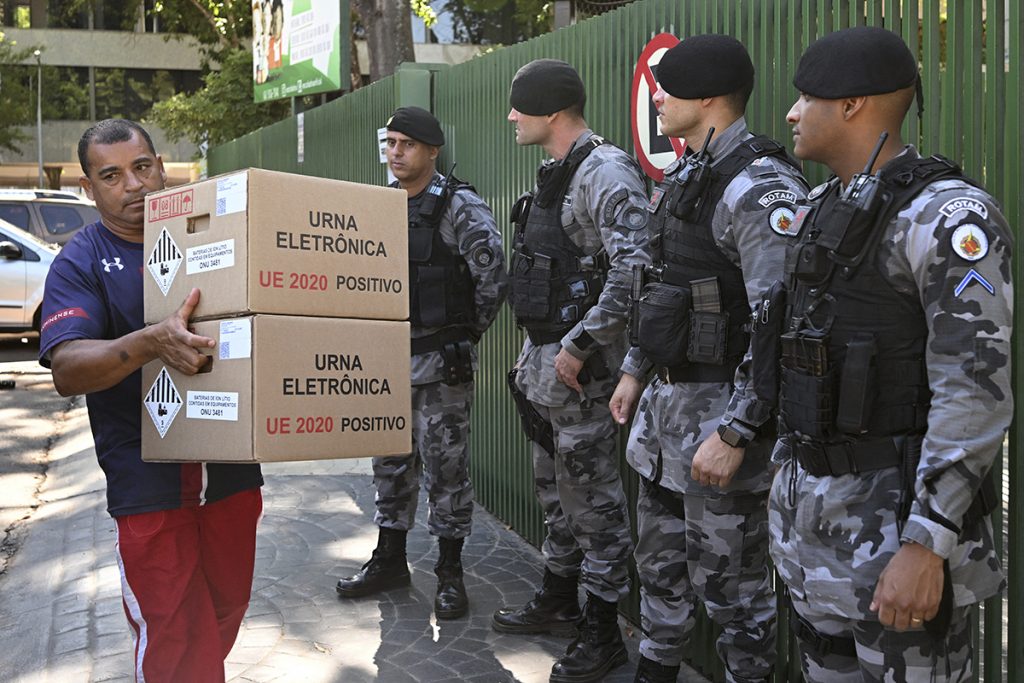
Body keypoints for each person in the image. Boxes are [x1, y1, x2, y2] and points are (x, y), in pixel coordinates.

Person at [748, 27, 1011, 681]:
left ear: (851, 105)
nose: (791, 114)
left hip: (898, 542)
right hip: (816, 541)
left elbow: (974, 389)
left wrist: (927, 543)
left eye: (805, 98)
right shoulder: (819, 211)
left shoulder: (947, 219)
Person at [608, 35, 808, 683]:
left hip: (720, 431)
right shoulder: (687, 173)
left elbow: (779, 324)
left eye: (669, 88)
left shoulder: (761, 188)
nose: (657, 98)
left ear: (710, 96)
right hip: (666, 422)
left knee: (735, 595)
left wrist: (737, 431)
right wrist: (635, 367)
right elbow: (663, 284)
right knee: (659, 572)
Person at [39, 118, 264, 682]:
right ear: (89, 188)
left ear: (162, 167)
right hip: (147, 481)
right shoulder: (82, 259)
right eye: (111, 176)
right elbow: (67, 368)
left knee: (225, 611)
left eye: (142, 167)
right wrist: (149, 343)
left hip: (231, 469)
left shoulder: (216, 232)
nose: (133, 185)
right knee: (173, 634)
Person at [494, 58, 649, 683]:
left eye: (521, 105)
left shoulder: (604, 171)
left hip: (582, 372)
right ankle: (560, 595)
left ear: (554, 111)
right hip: (547, 369)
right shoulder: (561, 171)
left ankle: (604, 630)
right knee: (555, 493)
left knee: (593, 503)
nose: (511, 115)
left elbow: (635, 268)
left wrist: (582, 343)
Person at [336, 106, 508, 620]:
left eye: (407, 144)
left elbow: (493, 276)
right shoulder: (380, 203)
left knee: (446, 469)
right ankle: (390, 559)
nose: (396, 153)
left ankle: (450, 571)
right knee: (389, 464)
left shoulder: (459, 206)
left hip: (440, 365)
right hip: (388, 363)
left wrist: (464, 333)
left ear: (432, 151)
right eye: (390, 143)